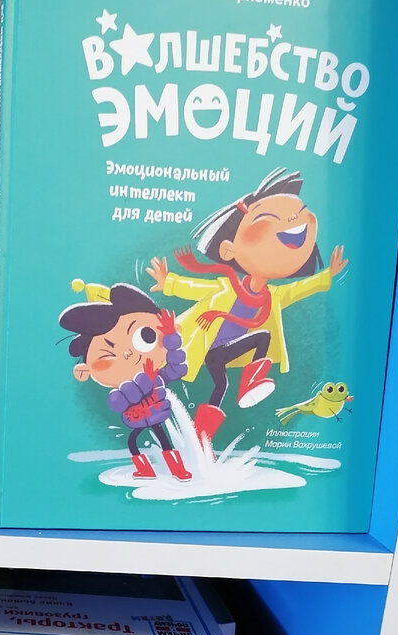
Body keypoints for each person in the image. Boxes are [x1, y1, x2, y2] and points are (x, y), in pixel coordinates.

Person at [146, 167, 347, 445]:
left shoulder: (273, 295)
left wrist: (327, 275)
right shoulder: (226, 287)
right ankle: (247, 385)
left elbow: (299, 289)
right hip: (209, 351)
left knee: (222, 385)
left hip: (228, 352)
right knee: (256, 343)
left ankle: (202, 437)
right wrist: (168, 281)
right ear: (228, 250)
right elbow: (195, 287)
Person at [61, 281, 191, 482]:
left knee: (165, 441)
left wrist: (171, 337)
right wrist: (146, 379)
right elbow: (119, 401)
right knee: (133, 442)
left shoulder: (156, 374)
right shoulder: (129, 386)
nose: (127, 353)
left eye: (145, 336)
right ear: (83, 371)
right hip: (137, 419)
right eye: (108, 354)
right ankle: (146, 471)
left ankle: (178, 470)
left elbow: (177, 368)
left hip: (158, 414)